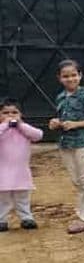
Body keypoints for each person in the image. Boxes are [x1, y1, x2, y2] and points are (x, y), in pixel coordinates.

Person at [48, 59, 84, 234]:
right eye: (66, 76)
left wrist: (76, 124)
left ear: (80, 76)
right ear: (59, 78)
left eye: (74, 75)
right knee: (77, 181)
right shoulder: (60, 97)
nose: (70, 79)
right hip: (66, 144)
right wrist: (55, 123)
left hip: (83, 143)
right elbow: (61, 118)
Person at [0, 98, 43, 231]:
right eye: (5, 113)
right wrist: (5, 125)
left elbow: (38, 135)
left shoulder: (24, 129)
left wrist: (21, 124)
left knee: (23, 197)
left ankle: (26, 218)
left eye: (14, 112)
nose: (10, 116)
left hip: (21, 171)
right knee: (3, 199)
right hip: (2, 170)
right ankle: (2, 220)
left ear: (20, 114)